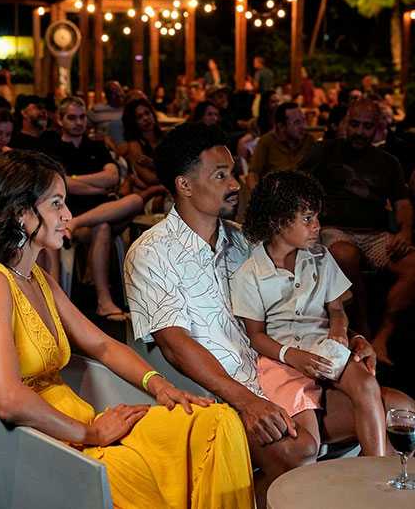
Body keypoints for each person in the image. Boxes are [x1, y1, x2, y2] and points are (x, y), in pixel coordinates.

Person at [124, 122, 415, 508]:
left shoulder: (244, 240)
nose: (234, 184)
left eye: (234, 173)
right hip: (221, 397)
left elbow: (302, 307)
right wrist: (246, 401)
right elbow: (176, 348)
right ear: (185, 185)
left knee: (402, 410)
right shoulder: (151, 254)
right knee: (300, 447)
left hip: (284, 372)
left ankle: (363, 496)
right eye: (221, 175)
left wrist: (349, 338)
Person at [0, 150, 254, 509]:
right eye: (56, 204)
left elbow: (103, 345)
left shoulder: (35, 277)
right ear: (19, 212)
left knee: (215, 420)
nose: (68, 216)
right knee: (134, 467)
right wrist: (90, 433)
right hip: (35, 444)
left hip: (79, 423)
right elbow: (8, 400)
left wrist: (162, 387)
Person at [234, 170, 386, 457]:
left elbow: (337, 308)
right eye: (307, 219)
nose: (317, 226)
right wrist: (292, 356)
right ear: (278, 221)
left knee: (366, 383)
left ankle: (374, 471)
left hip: (324, 348)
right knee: (306, 440)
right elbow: (255, 336)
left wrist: (339, 331)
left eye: (316, 217)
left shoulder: (320, 256)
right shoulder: (250, 273)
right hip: (282, 360)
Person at [300, 99, 415, 365]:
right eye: (355, 124)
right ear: (344, 123)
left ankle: (383, 335)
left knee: (412, 265)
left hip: (374, 233)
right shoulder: (323, 152)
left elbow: (403, 202)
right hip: (333, 229)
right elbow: (294, 183)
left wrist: (405, 232)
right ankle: (362, 327)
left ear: (378, 128)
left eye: (367, 126)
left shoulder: (388, 161)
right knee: (344, 254)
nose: (360, 132)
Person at [41, 96, 126, 321]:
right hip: (67, 217)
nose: (78, 122)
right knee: (103, 225)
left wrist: (76, 180)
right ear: (60, 120)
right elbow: (60, 184)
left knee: (134, 200)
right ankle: (103, 300)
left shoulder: (96, 146)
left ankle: (103, 302)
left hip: (95, 214)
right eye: (72, 118)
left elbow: (113, 176)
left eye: (81, 117)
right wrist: (96, 188)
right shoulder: (53, 147)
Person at [247, 102, 315, 191]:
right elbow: (253, 174)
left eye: (303, 120)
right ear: (281, 126)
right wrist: (257, 196)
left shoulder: (309, 140)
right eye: (297, 122)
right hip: (276, 196)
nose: (303, 126)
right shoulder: (266, 142)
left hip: (303, 195)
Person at [122, 99, 164, 194]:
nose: (146, 118)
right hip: (150, 193)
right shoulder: (134, 145)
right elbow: (150, 178)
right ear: (133, 122)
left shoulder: (165, 137)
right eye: (139, 117)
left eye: (147, 113)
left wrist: (154, 164)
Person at [87, 80, 126, 148]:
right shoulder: (97, 109)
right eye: (113, 92)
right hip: (103, 149)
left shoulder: (128, 109)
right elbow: (84, 129)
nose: (118, 94)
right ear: (107, 96)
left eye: (119, 90)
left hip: (125, 149)